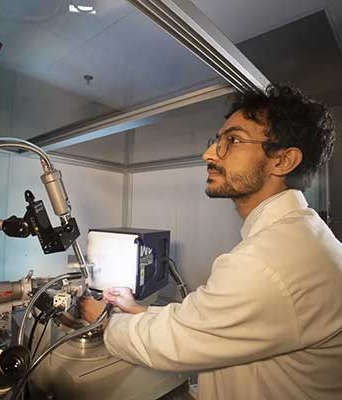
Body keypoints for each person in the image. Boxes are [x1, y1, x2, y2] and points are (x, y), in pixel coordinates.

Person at [81, 84, 342, 400]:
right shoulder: (298, 237)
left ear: (283, 161)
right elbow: (204, 323)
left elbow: (174, 341)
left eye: (232, 141)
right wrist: (135, 309)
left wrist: (105, 319)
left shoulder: (266, 262)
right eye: (217, 141)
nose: (208, 154)